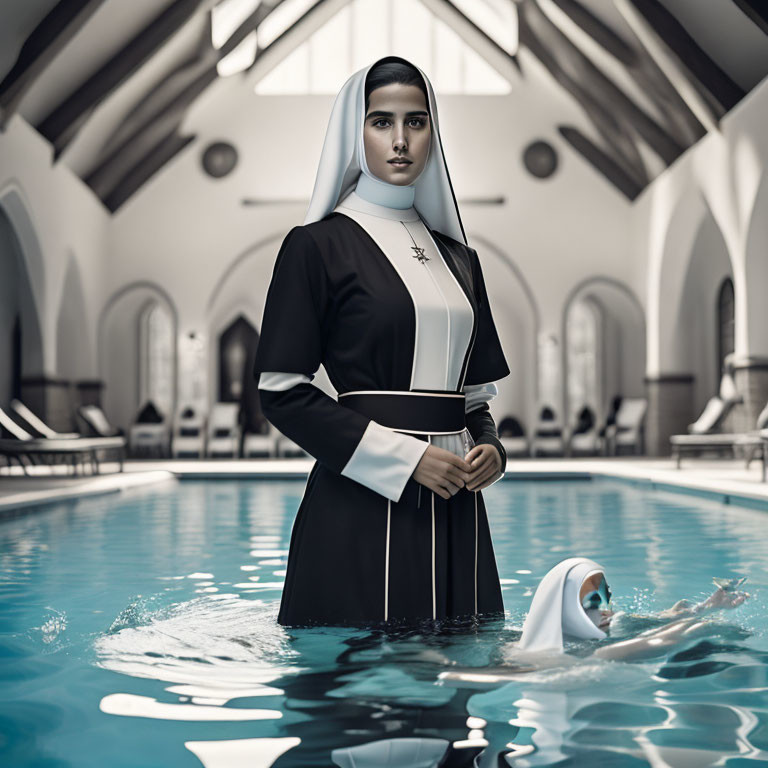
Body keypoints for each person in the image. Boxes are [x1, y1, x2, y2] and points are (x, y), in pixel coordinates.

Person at [253, 56, 511, 627]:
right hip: (363, 501)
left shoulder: (460, 259)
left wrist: (491, 448)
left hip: (458, 506)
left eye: (416, 122)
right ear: (355, 131)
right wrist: (406, 458)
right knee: (358, 687)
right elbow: (281, 389)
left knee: (458, 675)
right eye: (381, 122)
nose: (400, 140)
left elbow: (472, 396)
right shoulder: (316, 247)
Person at [518, 556, 749, 661]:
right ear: (565, 610)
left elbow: (662, 618)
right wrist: (693, 627)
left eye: (607, 598)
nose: (608, 612)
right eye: (593, 602)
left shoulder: (607, 624)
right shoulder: (539, 655)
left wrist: (708, 606)